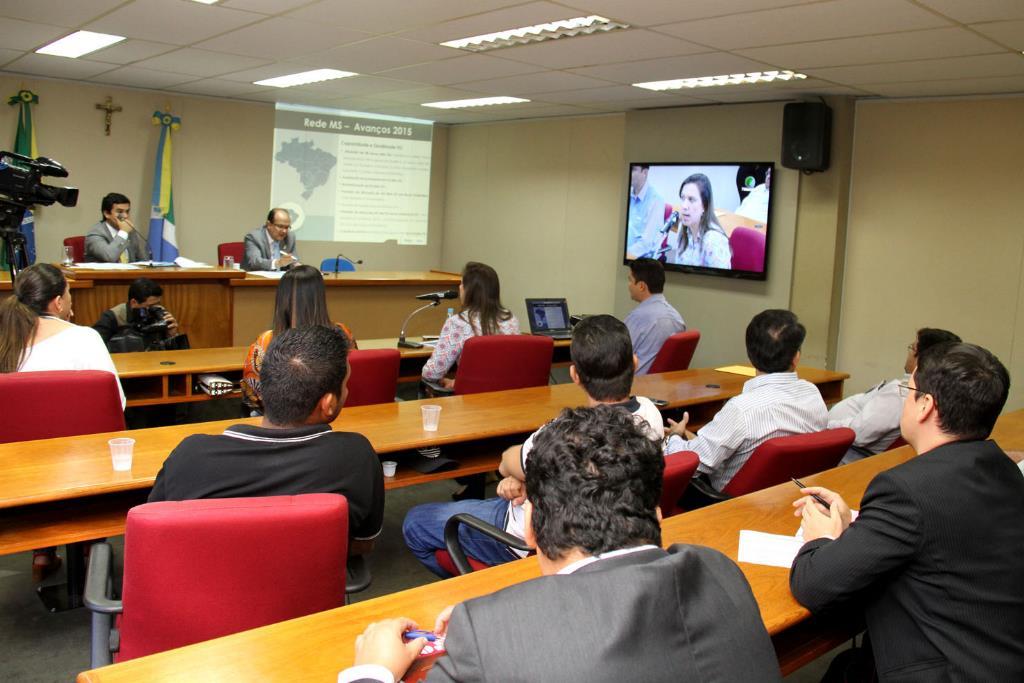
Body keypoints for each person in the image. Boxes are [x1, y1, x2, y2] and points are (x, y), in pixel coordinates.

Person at [345, 405, 781, 683]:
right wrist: (504, 618)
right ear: (658, 515)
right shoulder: (720, 570)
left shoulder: (485, 638)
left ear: (530, 528)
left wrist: (372, 671)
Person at [790, 342, 1024, 681]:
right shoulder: (1004, 471)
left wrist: (821, 538)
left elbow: (813, 585)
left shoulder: (906, 489)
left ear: (926, 405)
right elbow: (940, 537)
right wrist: (856, 526)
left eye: (908, 391)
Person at [404, 314, 665, 577]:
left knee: (415, 522)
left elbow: (506, 462)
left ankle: (489, 585)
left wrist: (521, 474)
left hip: (525, 537)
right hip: (606, 533)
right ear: (634, 363)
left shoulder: (560, 434)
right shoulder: (651, 415)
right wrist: (531, 479)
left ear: (574, 375)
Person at [150, 325, 384, 547]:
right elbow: (363, 543)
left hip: (207, 575)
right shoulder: (356, 457)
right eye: (345, 384)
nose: (347, 391)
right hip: (310, 575)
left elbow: (152, 534)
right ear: (328, 404)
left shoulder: (190, 456)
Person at [0, 263, 125, 581]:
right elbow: (117, 404)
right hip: (83, 473)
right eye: (69, 295)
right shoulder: (85, 338)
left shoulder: (5, 340)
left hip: (18, 473)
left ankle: (43, 553)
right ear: (58, 302)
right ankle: (90, 544)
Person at [667, 309, 827, 493]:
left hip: (725, 500)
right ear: (796, 357)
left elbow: (693, 464)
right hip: (793, 494)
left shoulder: (742, 409)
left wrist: (674, 437)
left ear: (750, 356)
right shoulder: (812, 393)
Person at [828, 327, 960, 462]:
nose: (909, 353)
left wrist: (825, 425)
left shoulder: (900, 395)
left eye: (912, 348)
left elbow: (858, 434)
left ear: (922, 358)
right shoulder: (935, 392)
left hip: (844, 451)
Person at [241, 265, 355, 414]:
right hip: (331, 414)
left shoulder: (266, 341)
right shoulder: (343, 334)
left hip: (279, 420)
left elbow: (252, 396)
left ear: (282, 299)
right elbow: (351, 381)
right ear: (320, 297)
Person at [420, 262, 518, 389]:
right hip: (507, 394)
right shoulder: (510, 319)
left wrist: (459, 383)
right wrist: (458, 382)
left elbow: (432, 373)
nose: (459, 287)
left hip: (470, 397)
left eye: (462, 283)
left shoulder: (459, 323)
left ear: (469, 290)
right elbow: (498, 370)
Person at [624, 258, 686, 374]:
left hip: (637, 382)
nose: (629, 285)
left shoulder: (638, 318)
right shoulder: (677, 318)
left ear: (641, 286)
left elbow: (617, 357)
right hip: (665, 382)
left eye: (630, 280)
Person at [91, 277, 180, 349]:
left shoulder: (159, 314)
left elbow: (176, 354)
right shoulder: (114, 317)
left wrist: (172, 335)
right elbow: (93, 346)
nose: (155, 308)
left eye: (158, 304)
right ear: (134, 302)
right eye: (150, 305)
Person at [666, 173, 731, 269]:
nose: (684, 206)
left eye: (691, 199)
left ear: (705, 205)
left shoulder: (714, 242)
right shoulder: (683, 228)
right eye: (683, 198)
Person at [85, 192, 149, 263]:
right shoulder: (95, 234)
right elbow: (109, 257)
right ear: (107, 214)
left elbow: (144, 260)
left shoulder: (130, 231)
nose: (125, 216)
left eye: (127, 211)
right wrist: (123, 233)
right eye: (120, 212)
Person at [625, 163, 665, 249]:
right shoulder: (627, 194)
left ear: (645, 173)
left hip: (637, 255)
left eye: (633, 169)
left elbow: (647, 244)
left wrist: (625, 252)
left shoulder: (656, 201)